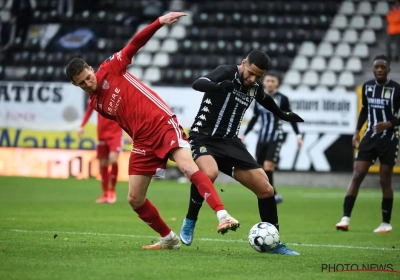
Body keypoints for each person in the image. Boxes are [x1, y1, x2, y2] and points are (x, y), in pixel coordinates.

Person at [66, 12, 239, 250]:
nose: (89, 83)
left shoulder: (111, 67)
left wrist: (158, 23)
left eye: (88, 77)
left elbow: (134, 43)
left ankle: (223, 215)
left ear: (91, 68)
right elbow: (125, 119)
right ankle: (169, 239)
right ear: (75, 85)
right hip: (142, 140)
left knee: (188, 168)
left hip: (162, 123)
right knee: (134, 199)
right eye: (82, 83)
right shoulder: (95, 105)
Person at [179, 50, 304, 255]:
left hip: (231, 144)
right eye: (251, 73)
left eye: (258, 77)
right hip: (204, 137)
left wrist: (284, 115)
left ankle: (274, 242)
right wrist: (218, 86)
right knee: (209, 173)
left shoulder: (253, 87)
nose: (253, 79)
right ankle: (190, 220)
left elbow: (268, 102)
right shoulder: (226, 72)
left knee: (266, 190)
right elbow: (198, 83)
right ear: (244, 63)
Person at [335, 55, 400, 233]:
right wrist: (357, 131)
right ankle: (345, 219)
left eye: (383, 67)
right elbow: (364, 110)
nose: (379, 69)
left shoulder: (396, 89)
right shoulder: (367, 87)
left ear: (388, 69)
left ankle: (386, 223)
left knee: (385, 179)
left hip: (389, 138)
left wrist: (390, 123)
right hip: (369, 138)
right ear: (373, 69)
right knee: (357, 174)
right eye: (376, 67)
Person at [241, 72, 302, 204]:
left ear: (277, 83)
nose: (269, 83)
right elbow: (255, 118)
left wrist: (298, 135)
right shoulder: (259, 97)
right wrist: (244, 134)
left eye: (272, 81)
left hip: (276, 137)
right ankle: (270, 192)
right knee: (260, 168)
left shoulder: (282, 99)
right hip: (262, 138)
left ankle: (272, 195)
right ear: (263, 82)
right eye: (267, 81)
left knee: (269, 165)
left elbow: (289, 116)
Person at [78, 101, 123, 204]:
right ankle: (105, 193)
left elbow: (129, 114)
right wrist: (82, 125)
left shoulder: (117, 96)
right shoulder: (96, 96)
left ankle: (112, 190)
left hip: (115, 134)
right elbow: (89, 110)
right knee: (103, 163)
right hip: (102, 133)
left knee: (113, 159)